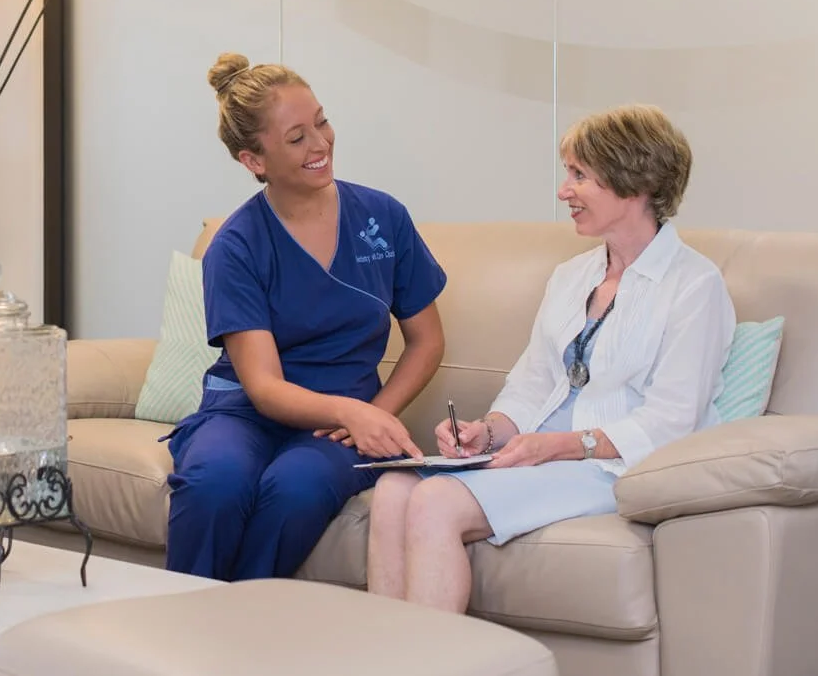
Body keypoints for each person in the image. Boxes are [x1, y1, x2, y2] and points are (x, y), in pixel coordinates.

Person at [366, 104, 735, 612]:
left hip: (616, 468)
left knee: (434, 501)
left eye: (580, 176)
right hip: (548, 455)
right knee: (391, 490)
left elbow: (671, 422)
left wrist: (557, 446)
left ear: (633, 182)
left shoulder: (695, 285)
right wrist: (488, 432)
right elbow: (532, 386)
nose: (565, 191)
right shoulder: (572, 277)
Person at [164, 53, 448, 581]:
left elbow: (427, 340)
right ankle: (184, 630)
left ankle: (243, 630)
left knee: (296, 489)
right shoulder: (237, 245)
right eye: (297, 138)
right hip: (246, 412)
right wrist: (352, 414)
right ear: (255, 160)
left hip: (341, 428)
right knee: (214, 483)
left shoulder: (383, 217)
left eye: (321, 122)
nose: (320, 144)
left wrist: (375, 415)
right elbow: (266, 387)